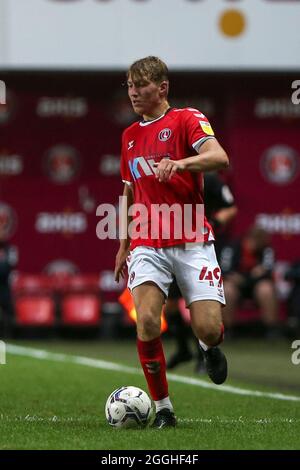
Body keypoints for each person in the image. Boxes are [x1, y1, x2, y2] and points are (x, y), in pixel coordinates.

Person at [114, 56, 229, 429]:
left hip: (192, 237)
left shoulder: (186, 119)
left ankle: (208, 347)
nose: (133, 92)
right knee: (146, 321)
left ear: (162, 88)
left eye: (140, 85)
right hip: (147, 241)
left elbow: (219, 157)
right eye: (129, 86)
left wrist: (181, 163)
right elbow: (128, 194)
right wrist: (122, 244)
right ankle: (163, 408)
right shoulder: (129, 136)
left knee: (209, 328)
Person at [166, 172, 237, 372]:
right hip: (174, 244)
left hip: (202, 246)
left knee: (199, 305)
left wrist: (214, 223)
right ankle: (182, 349)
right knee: (170, 306)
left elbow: (230, 208)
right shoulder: (172, 173)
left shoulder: (211, 179)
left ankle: (203, 354)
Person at [219, 225, 280, 337]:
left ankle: (272, 329)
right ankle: (228, 330)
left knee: (266, 289)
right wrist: (243, 277)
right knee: (227, 289)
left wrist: (249, 277)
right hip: (236, 285)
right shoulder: (232, 247)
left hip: (257, 285)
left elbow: (267, 270)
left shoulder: (266, 249)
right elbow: (225, 270)